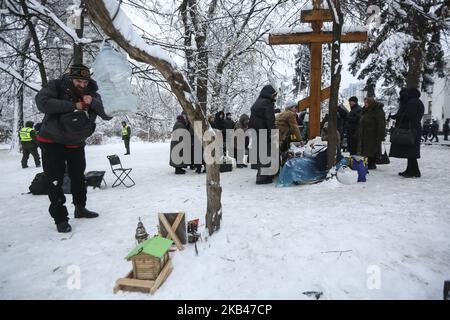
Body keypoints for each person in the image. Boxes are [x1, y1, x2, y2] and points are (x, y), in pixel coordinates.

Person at [35, 63, 113, 233]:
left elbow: (107, 114)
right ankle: (60, 218)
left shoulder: (91, 93)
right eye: (79, 81)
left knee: (78, 177)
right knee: (55, 180)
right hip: (52, 141)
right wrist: (73, 106)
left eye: (85, 82)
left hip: (75, 143)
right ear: (71, 78)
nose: (82, 85)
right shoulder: (56, 86)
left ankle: (80, 208)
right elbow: (42, 103)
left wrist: (92, 102)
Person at [389, 87, 424, 178]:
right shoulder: (417, 101)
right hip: (414, 128)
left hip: (411, 130)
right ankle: (412, 170)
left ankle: (414, 171)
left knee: (411, 152)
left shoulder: (412, 102)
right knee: (411, 152)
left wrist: (396, 116)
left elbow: (408, 115)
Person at [249, 84, 277, 185]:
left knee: (260, 154)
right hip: (264, 132)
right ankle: (262, 178)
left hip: (256, 132)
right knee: (266, 154)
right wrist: (273, 133)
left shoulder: (258, 102)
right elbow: (270, 120)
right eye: (274, 95)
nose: (275, 97)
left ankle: (260, 176)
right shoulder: (267, 103)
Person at [356, 97, 386, 170]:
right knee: (366, 149)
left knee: (372, 149)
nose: (365, 104)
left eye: (367, 102)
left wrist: (381, 134)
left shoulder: (377, 111)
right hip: (366, 133)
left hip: (373, 134)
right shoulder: (365, 110)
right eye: (365, 102)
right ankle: (368, 162)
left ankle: (372, 163)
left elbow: (381, 123)